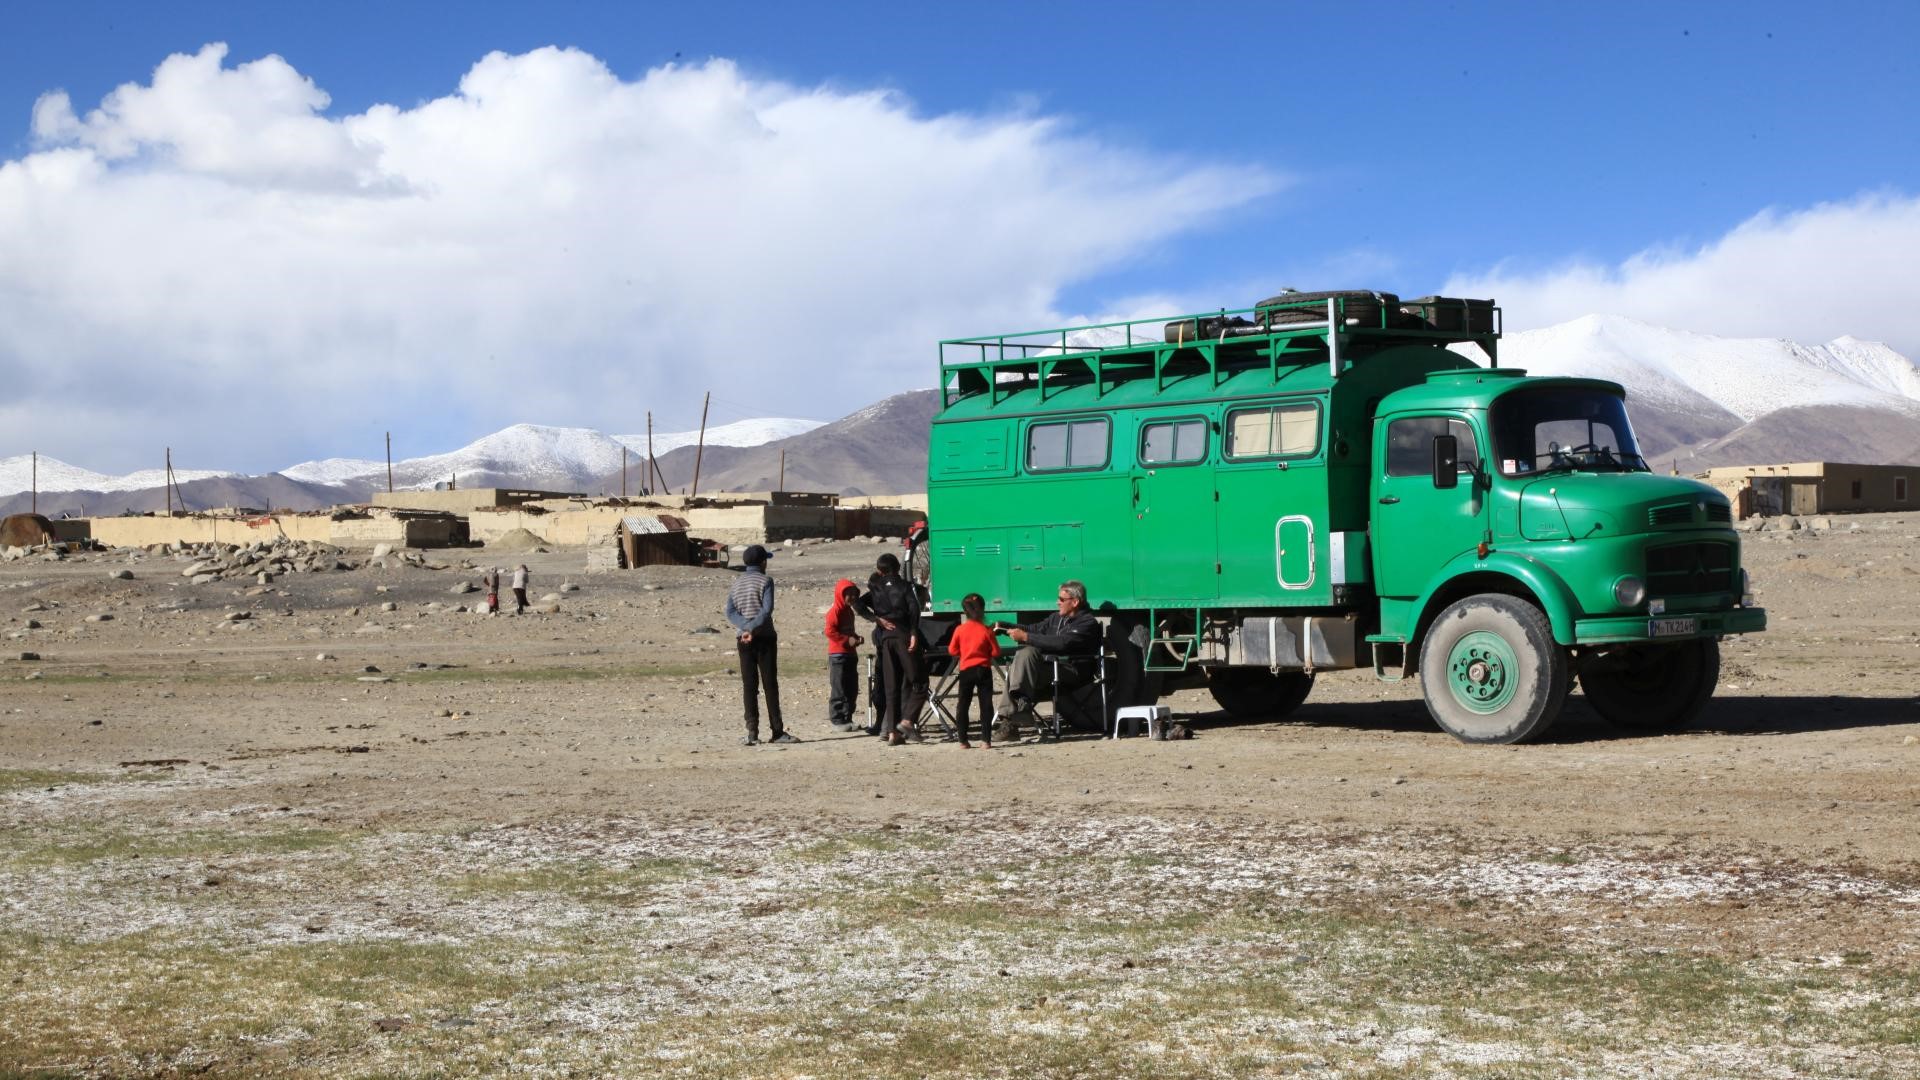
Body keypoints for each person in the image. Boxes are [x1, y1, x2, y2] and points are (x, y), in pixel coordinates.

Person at [994, 579, 1102, 738]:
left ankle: (1010, 721)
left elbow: (1062, 643)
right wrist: (1005, 626)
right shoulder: (1055, 618)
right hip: (1051, 667)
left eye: (1062, 599)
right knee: (1021, 662)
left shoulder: (1087, 623)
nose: (1057, 602)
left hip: (1072, 670)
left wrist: (1026, 637)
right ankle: (1020, 708)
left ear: (1075, 602)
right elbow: (1034, 629)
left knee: (1025, 656)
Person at [725, 544, 796, 746]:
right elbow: (766, 611)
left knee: (749, 686)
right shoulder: (766, 580)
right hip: (764, 638)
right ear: (763, 562)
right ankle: (777, 731)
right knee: (770, 685)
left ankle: (752, 733)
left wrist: (745, 629)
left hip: (743, 641)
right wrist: (753, 629)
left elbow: (729, 612)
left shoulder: (737, 583)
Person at [863, 552, 922, 746]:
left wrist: (875, 619)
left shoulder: (876, 588)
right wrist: (913, 632)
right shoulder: (906, 587)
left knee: (891, 686)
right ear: (898, 568)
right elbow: (914, 609)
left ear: (880, 571)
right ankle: (907, 721)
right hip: (903, 636)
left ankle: (891, 733)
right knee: (919, 681)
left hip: (886, 639)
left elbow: (856, 603)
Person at [946, 592, 1001, 749]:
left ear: (965, 611)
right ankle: (986, 741)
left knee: (963, 704)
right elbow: (996, 653)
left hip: (966, 670)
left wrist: (964, 653)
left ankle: (963, 740)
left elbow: (952, 650)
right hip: (983, 670)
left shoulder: (960, 630)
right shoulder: (987, 630)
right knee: (985, 705)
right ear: (983, 609)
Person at [823, 578, 865, 731]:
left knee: (851, 688)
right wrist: (847, 640)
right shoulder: (835, 611)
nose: (852, 598)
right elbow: (829, 631)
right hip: (838, 655)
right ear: (841, 595)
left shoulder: (849, 612)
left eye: (855, 595)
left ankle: (848, 718)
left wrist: (856, 638)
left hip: (850, 654)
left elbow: (849, 632)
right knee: (839, 688)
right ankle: (837, 720)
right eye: (849, 595)